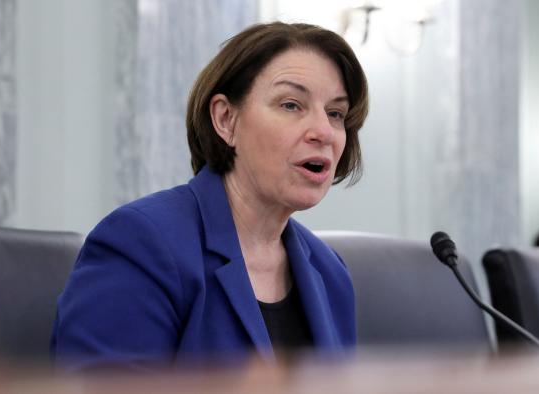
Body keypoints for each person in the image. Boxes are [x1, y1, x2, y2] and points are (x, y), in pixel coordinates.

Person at [51, 21, 369, 370]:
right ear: (226, 119)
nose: (324, 131)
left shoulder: (329, 271)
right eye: (291, 105)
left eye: (335, 113)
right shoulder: (141, 243)